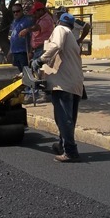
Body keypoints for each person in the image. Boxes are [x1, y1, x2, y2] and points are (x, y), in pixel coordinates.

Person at [31, 13, 84, 162]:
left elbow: (56, 46)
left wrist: (40, 60)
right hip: (75, 84)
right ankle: (62, 145)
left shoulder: (60, 29)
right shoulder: (72, 37)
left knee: (63, 118)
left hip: (63, 84)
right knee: (69, 119)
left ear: (59, 22)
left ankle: (71, 151)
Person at [9, 3, 34, 72]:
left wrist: (31, 51)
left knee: (25, 73)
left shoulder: (27, 21)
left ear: (22, 11)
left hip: (23, 52)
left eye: (18, 11)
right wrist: (10, 51)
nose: (16, 13)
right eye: (14, 12)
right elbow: (12, 37)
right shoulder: (14, 22)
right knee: (17, 74)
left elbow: (33, 35)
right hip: (15, 52)